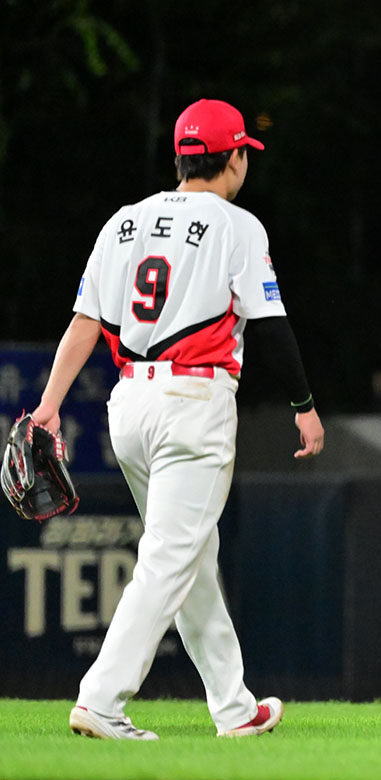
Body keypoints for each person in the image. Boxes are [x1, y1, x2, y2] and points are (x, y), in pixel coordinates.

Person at [32, 98, 325, 739]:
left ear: (181, 158)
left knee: (191, 557)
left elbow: (85, 323)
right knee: (171, 556)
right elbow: (270, 325)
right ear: (234, 157)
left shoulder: (124, 222)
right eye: (244, 151)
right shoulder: (236, 225)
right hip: (193, 405)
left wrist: (49, 404)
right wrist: (304, 405)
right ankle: (100, 700)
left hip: (129, 405)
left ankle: (234, 707)